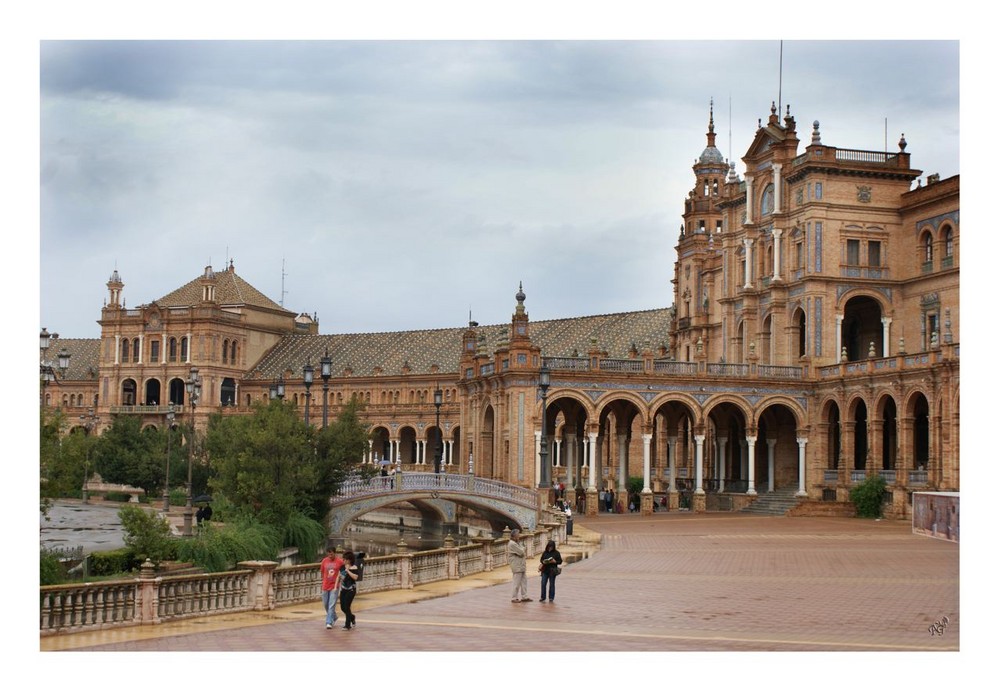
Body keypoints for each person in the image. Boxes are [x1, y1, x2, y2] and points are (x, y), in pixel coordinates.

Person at [320, 545, 344, 629]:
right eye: (328, 554)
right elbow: (322, 572)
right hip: (325, 586)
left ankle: (329, 622)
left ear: (335, 553)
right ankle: (334, 616)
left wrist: (339, 581)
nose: (330, 556)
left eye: (331, 554)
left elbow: (343, 572)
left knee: (331, 605)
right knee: (326, 604)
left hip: (335, 586)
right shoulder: (324, 561)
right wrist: (323, 582)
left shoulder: (340, 562)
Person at [507, 529, 531, 602]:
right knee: (516, 583)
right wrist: (523, 549)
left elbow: (522, 550)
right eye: (518, 535)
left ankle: (524, 596)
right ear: (514, 536)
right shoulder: (512, 544)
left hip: (521, 565)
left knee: (524, 582)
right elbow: (521, 552)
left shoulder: (517, 543)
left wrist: (522, 548)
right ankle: (514, 598)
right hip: (517, 566)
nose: (519, 537)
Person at [339, 550, 360, 630]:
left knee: (347, 606)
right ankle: (352, 617)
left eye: (345, 559)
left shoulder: (354, 567)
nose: (343, 560)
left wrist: (348, 571)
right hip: (343, 589)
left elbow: (356, 577)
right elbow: (340, 577)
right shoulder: (341, 567)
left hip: (351, 589)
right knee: (342, 607)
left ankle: (347, 625)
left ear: (349, 560)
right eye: (343, 559)